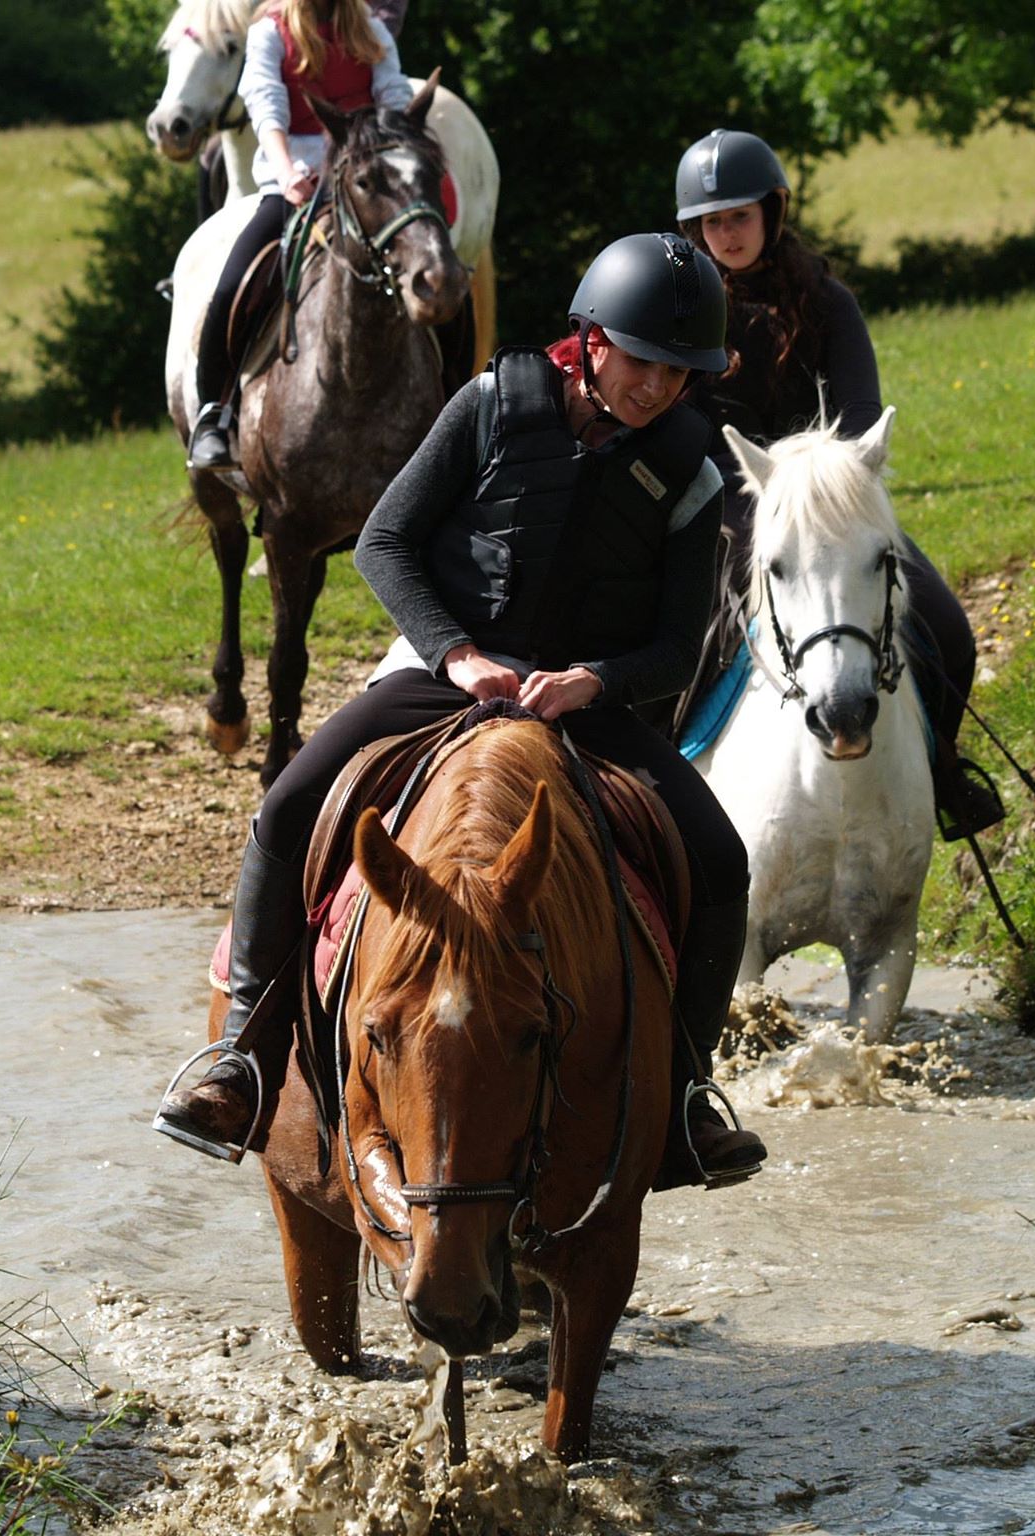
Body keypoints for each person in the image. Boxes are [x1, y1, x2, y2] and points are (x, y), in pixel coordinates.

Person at [158, 232, 767, 1189]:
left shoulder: (692, 472)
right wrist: (459, 653)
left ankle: (687, 1099)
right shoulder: (487, 406)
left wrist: (592, 682)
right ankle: (241, 1058)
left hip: (580, 701)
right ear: (592, 337)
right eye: (642, 362)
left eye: (680, 374)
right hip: (445, 675)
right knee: (286, 808)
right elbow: (386, 544)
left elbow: (677, 645)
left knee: (720, 859)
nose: (657, 388)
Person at [674, 128, 1004, 840]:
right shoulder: (681, 312)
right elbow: (687, 433)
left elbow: (858, 422)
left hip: (834, 509)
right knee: (678, 647)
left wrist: (817, 494)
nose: (726, 233)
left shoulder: (830, 303)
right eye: (711, 221)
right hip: (729, 510)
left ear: (772, 212)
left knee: (947, 625)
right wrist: (753, 506)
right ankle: (668, 796)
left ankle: (943, 772)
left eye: (738, 216)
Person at [188, 0, 414, 470]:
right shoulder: (270, 32)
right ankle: (214, 413)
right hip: (296, 180)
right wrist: (288, 172)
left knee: (434, 270)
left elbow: (393, 97)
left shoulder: (369, 28)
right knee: (234, 284)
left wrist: (392, 159)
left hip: (364, 181)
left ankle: (456, 397)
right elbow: (266, 107)